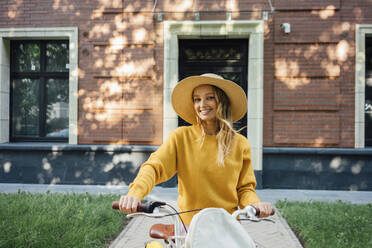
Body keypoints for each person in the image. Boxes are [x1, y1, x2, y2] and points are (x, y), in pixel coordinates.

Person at [119, 73, 273, 227]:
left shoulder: (240, 144)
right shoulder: (181, 137)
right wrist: (134, 194)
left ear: (222, 101)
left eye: (210, 97)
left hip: (228, 227)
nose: (202, 104)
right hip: (189, 228)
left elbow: (244, 188)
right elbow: (154, 167)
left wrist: (256, 204)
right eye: (197, 99)